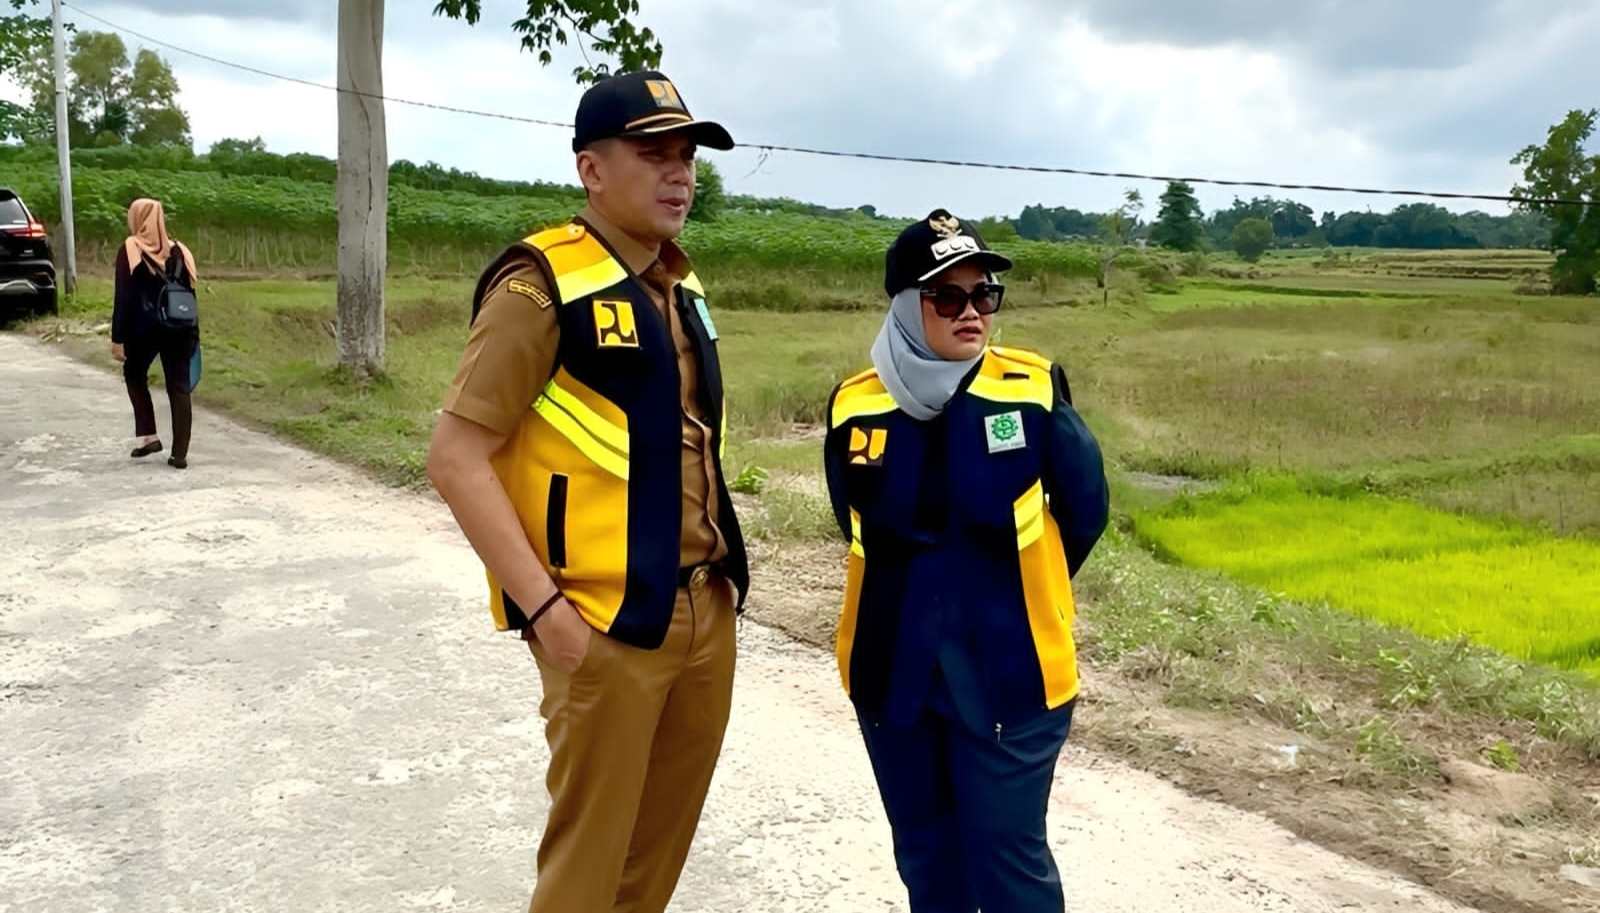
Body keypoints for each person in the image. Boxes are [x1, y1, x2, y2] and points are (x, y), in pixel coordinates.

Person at [426, 71, 748, 913]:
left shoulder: (682, 284)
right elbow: (456, 456)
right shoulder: (541, 284)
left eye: (686, 156)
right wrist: (547, 614)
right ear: (591, 170)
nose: (680, 173)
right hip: (602, 624)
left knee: (655, 861)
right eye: (654, 154)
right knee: (585, 871)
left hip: (701, 610)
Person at [823, 209, 1110, 912]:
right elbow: (850, 521)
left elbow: (1085, 509)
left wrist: (1021, 588)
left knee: (1007, 861)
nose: (971, 312)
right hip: (894, 675)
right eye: (946, 297)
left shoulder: (1031, 392)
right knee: (928, 858)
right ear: (903, 305)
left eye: (984, 295)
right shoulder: (855, 408)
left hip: (1013, 671)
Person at [111, 198, 199, 470]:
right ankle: (180, 454)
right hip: (180, 328)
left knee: (134, 374)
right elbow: (190, 296)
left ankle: (149, 436)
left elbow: (123, 298)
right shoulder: (182, 251)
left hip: (144, 329)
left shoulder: (130, 249)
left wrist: (117, 338)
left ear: (137, 219)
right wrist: (195, 335)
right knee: (179, 386)